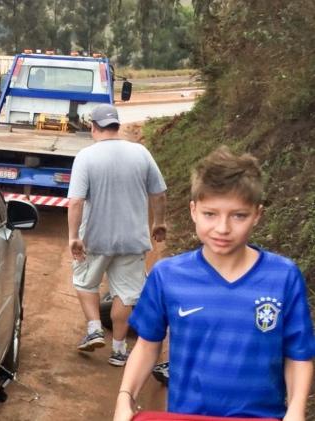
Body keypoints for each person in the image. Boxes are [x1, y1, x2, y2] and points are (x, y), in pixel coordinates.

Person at [114, 146, 315, 421]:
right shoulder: (167, 275)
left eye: (238, 215)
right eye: (211, 214)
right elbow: (148, 345)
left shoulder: (283, 277)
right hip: (188, 416)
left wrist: (295, 410)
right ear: (194, 211)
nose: (222, 228)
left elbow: (298, 354)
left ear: (257, 214)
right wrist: (125, 398)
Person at [68, 103, 167, 366]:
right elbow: (158, 193)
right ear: (117, 126)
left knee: (84, 282)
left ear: (93, 127)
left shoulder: (86, 157)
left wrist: (73, 236)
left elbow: (76, 201)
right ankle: (119, 350)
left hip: (96, 238)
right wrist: (159, 222)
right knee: (126, 294)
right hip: (133, 239)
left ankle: (94, 329)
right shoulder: (141, 153)